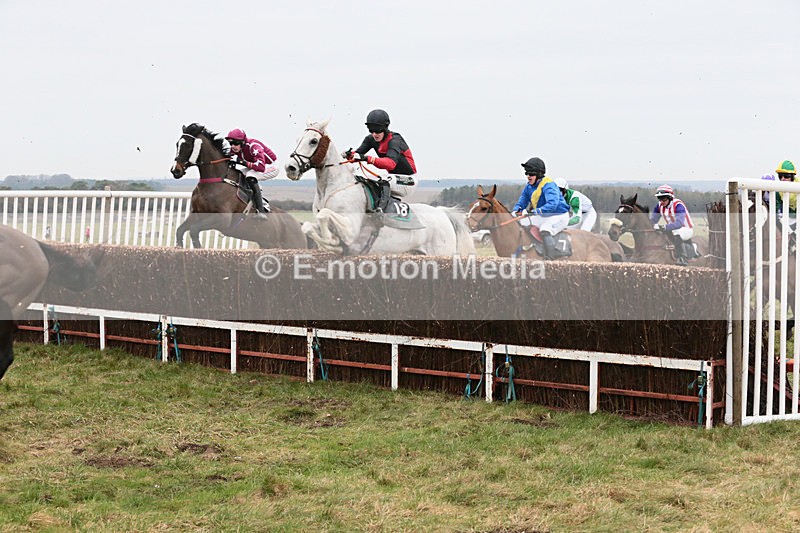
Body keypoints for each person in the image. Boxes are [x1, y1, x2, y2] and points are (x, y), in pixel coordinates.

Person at [342, 109, 417, 198]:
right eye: (371, 130)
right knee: (364, 179)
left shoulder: (395, 140)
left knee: (381, 179)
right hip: (393, 178)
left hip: (408, 180)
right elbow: (357, 155)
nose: (374, 134)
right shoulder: (370, 139)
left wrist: (367, 158)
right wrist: (349, 155)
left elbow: (390, 164)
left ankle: (381, 209)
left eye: (377, 130)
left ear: (385, 128)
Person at [511, 157, 571, 259]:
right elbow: (523, 200)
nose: (528, 176)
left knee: (545, 229)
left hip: (559, 215)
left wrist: (536, 211)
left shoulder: (549, 185)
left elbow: (553, 204)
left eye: (531, 174)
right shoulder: (529, 186)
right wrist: (517, 210)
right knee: (522, 223)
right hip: (543, 215)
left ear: (539, 173)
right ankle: (528, 248)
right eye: (526, 173)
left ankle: (551, 256)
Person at [225, 128, 279, 219]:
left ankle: (261, 210)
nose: (233, 146)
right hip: (257, 166)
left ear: (242, 142)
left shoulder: (253, 146)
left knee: (250, 176)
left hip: (270, 166)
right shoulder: (235, 149)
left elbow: (261, 167)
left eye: (236, 143)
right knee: (239, 174)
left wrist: (241, 161)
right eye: (231, 143)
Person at [649, 184, 698, 266]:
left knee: (677, 232)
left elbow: (679, 223)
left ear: (670, 197)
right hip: (671, 229)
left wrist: (664, 227)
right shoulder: (659, 206)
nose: (661, 202)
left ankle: (683, 258)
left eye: (663, 199)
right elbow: (653, 220)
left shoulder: (678, 205)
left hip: (686, 229)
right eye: (659, 199)